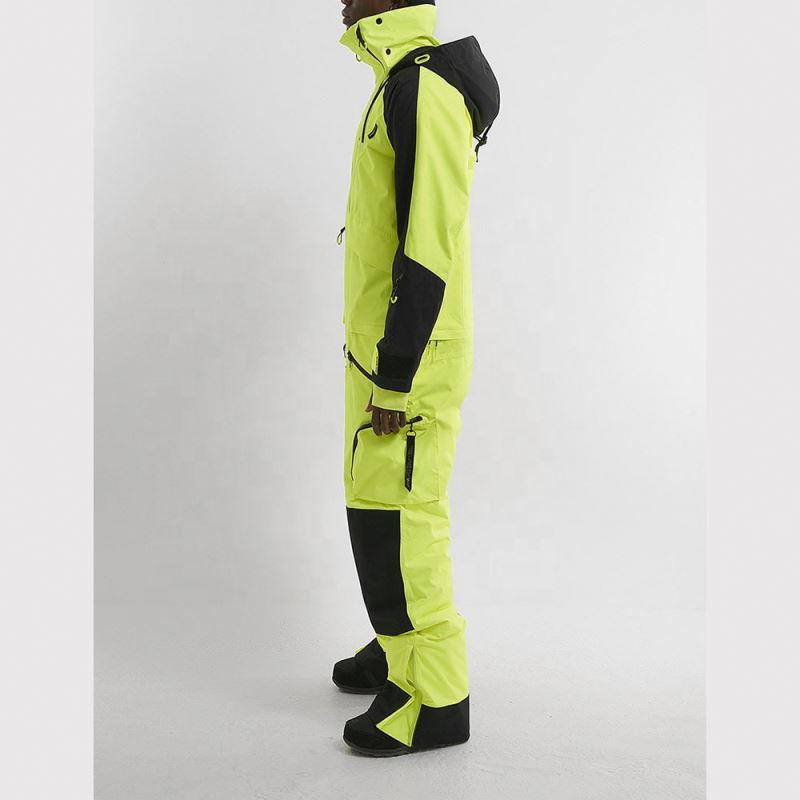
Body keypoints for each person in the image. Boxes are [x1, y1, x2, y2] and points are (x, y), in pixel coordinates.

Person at [333, 0, 500, 757]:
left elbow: (430, 245)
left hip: (411, 356)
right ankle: (397, 645)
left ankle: (434, 696)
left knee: (401, 512)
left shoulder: (424, 87)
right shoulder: (400, 78)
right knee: (376, 500)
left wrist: (397, 377)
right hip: (381, 349)